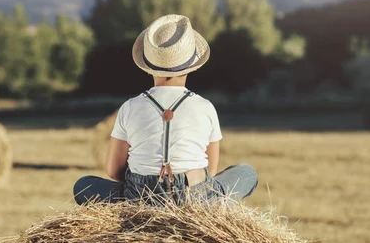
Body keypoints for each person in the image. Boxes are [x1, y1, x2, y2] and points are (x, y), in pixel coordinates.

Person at [74, 14, 258, 206]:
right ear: (191, 66)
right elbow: (210, 171)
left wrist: (144, 179)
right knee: (247, 173)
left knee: (83, 185)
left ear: (148, 67)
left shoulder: (129, 107)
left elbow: (113, 171)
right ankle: (215, 205)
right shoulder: (205, 107)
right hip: (194, 196)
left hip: (140, 197)